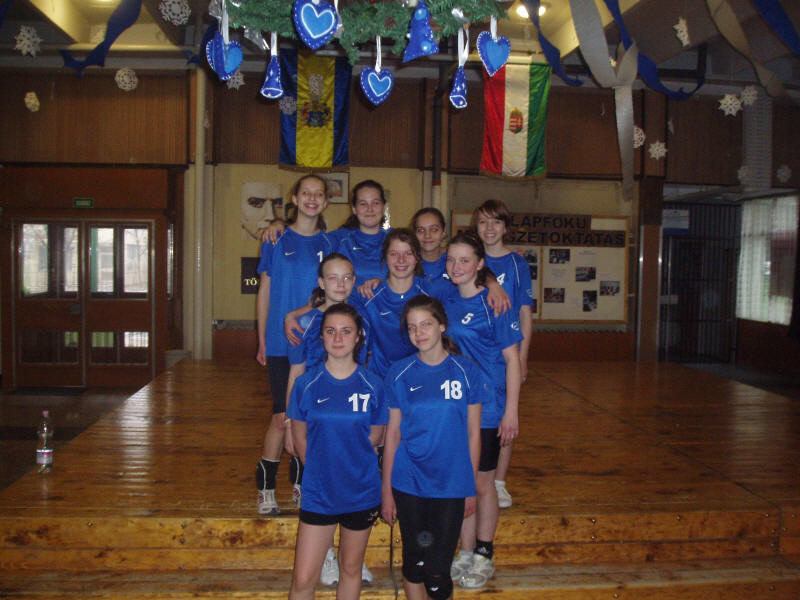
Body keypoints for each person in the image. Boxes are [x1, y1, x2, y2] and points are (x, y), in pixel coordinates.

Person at [382, 295, 482, 600]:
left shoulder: (466, 371)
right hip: (409, 481)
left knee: (438, 571)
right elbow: (392, 435)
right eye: (412, 327)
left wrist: (470, 486)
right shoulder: (399, 372)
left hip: (450, 483)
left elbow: (473, 434)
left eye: (425, 324)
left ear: (442, 325)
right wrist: (387, 491)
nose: (419, 333)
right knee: (415, 563)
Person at [283, 253, 375, 586]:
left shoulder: (362, 316)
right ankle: (326, 555)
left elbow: (366, 363)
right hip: (316, 414)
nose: (341, 284)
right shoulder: (305, 322)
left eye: (347, 277)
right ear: (321, 283)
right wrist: (289, 424)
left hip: (350, 413)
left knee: (351, 476)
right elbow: (296, 371)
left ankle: (351, 557)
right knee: (320, 479)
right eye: (333, 278)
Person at [442, 232, 522, 590]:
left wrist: (511, 412)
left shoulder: (496, 304)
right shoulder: (445, 300)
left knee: (483, 483)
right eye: (451, 259)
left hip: (488, 408)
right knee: (462, 481)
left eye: (465, 260)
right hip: (455, 409)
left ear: (480, 264)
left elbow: (512, 360)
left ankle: (484, 553)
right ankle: (465, 549)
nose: (456, 266)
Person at [255, 173, 338, 516]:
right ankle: (265, 487)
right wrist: (262, 339)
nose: (312, 198)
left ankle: (301, 482)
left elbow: (332, 293)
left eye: (319, 194)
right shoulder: (275, 238)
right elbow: (264, 291)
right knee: (281, 417)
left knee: (309, 416)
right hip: (280, 341)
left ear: (326, 201)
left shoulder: (330, 243)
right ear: (294, 197)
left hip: (315, 344)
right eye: (306, 192)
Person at [473, 200, 533, 509]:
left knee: (506, 419)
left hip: (506, 355)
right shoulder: (470, 259)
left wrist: (523, 357)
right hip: (476, 356)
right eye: (483, 222)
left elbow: (524, 313)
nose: (489, 228)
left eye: (496, 222)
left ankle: (499, 482)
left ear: (506, 227)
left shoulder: (517, 264)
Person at [262, 179, 391, 285]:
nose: (369, 209)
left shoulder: (395, 240)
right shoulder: (337, 239)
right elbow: (304, 235)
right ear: (354, 209)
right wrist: (279, 225)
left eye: (375, 203)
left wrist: (384, 283)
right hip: (347, 309)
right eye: (363, 203)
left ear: (384, 206)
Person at [412, 207, 448, 285]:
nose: (427, 235)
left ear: (444, 231)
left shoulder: (453, 262)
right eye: (421, 230)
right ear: (414, 233)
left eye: (434, 230)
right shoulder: (407, 264)